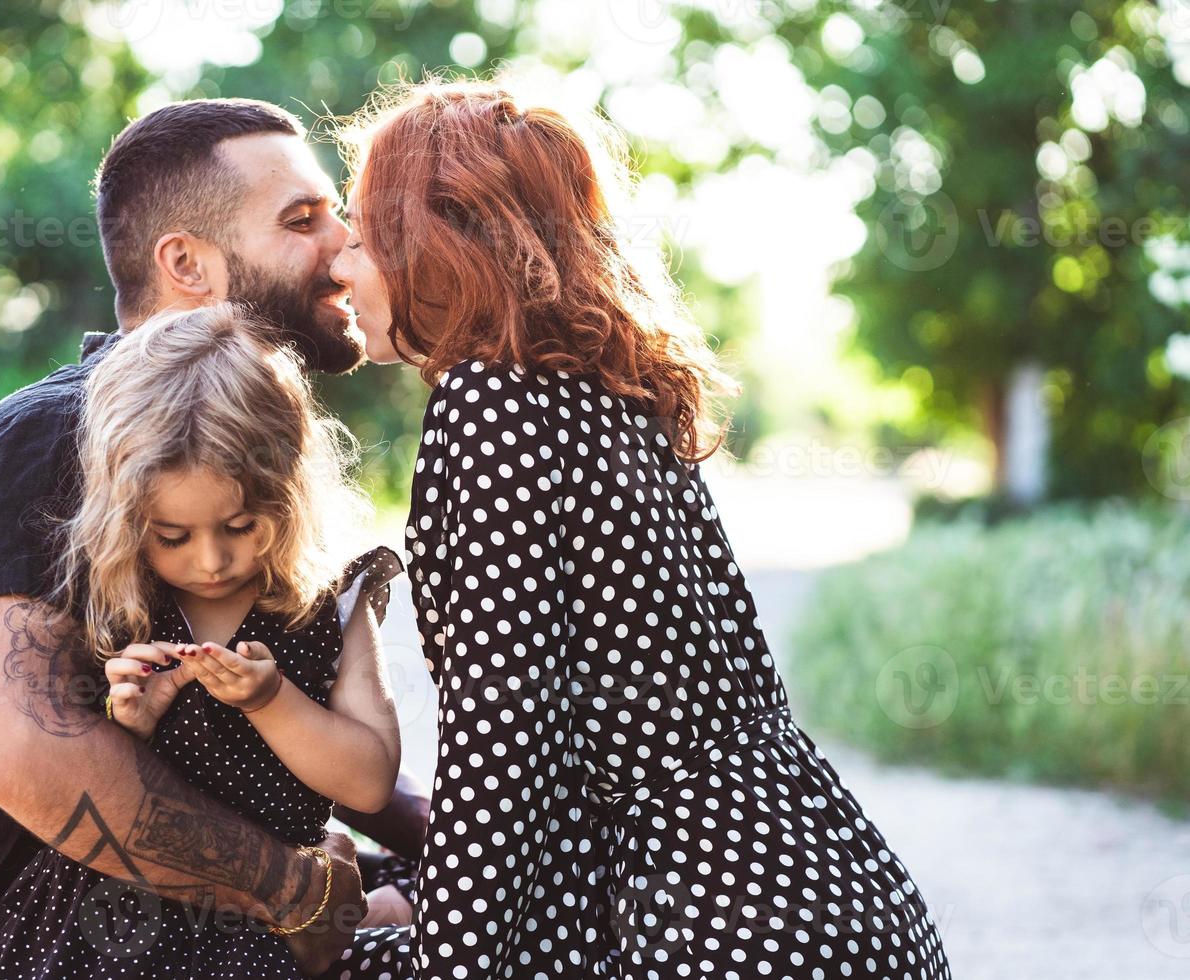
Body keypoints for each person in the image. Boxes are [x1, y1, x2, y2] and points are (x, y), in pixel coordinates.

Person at [318, 79, 954, 978]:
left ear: (443, 238)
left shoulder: (489, 402)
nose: (342, 264)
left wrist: (438, 965)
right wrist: (413, 888)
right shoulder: (615, 396)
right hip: (830, 892)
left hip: (717, 924)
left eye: (364, 231)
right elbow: (583, 761)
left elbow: (505, 741)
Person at [0, 98, 425, 980]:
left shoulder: (245, 458)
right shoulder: (61, 435)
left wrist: (469, 836)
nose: (345, 246)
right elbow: (25, 754)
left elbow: (294, 740)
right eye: (302, 220)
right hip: (13, 946)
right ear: (185, 262)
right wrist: (299, 894)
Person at [0, 303, 411, 978]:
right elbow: (74, 775)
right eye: (173, 536)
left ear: (287, 493)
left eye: (240, 526)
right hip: (99, 921)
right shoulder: (127, 595)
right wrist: (129, 725)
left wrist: (271, 702)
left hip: (257, 931)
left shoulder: (328, 603)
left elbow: (370, 781)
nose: (210, 561)